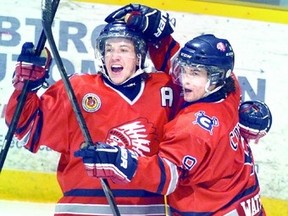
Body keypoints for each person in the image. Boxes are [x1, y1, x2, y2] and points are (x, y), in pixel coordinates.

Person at [5, 9, 182, 216]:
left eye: (124, 49)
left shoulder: (165, 89)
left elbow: (203, 86)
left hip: (145, 211)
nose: (114, 56)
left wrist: (163, 37)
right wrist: (26, 88)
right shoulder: (76, 88)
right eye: (108, 49)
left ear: (139, 56)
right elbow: (25, 127)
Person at [75, 33, 271, 215]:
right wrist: (161, 35)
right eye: (184, 71)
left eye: (195, 73)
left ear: (217, 77)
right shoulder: (231, 92)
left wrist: (122, 161)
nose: (184, 80)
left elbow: (168, 177)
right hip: (249, 205)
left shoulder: (191, 128)